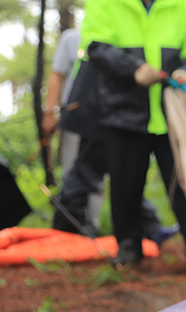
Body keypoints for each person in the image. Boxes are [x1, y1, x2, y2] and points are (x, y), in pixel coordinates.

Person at [77, 0, 186, 266]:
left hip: (173, 114)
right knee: (125, 184)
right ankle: (128, 247)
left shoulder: (185, 2)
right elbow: (96, 45)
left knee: (184, 184)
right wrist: (133, 69)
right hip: (122, 109)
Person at [47, 24, 173, 243]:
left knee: (123, 176)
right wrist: (51, 111)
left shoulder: (122, 40)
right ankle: (65, 228)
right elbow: (61, 75)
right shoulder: (94, 42)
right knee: (85, 173)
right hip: (93, 118)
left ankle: (151, 227)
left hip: (116, 118)